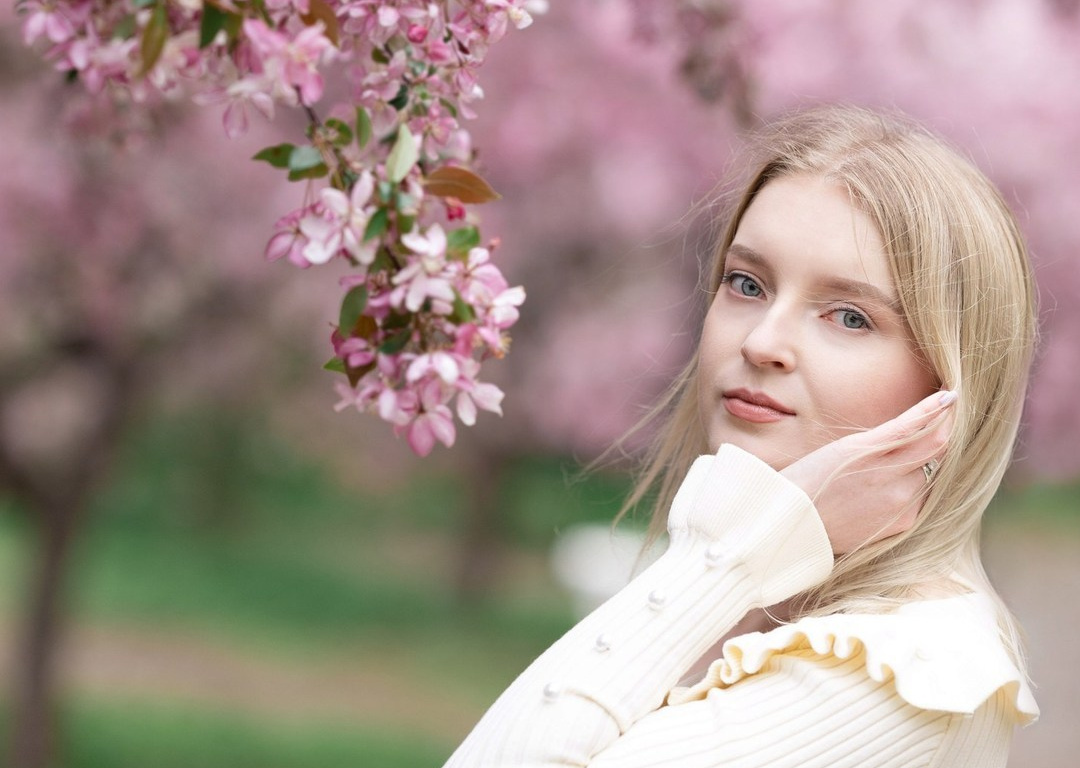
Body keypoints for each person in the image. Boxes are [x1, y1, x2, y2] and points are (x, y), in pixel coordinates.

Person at [445, 105, 1039, 768]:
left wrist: (736, 549)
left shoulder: (890, 680)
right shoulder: (767, 613)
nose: (761, 343)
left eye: (849, 316)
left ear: (950, 388)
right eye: (747, 284)